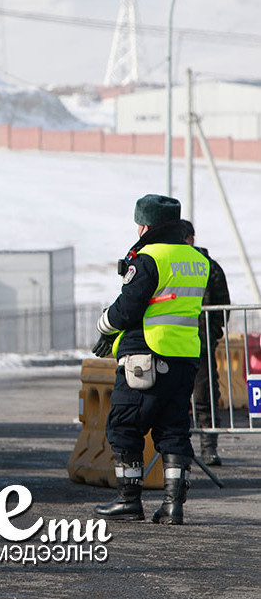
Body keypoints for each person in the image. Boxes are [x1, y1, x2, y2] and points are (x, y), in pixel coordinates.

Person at [91, 194, 208, 525]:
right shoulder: (197, 259)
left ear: (146, 225)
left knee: (125, 424)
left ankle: (129, 500)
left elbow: (128, 308)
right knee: (173, 429)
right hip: (184, 355)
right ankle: (173, 506)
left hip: (146, 355)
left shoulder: (149, 257)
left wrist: (103, 326)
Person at [180, 219, 231, 466]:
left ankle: (208, 447)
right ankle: (175, 450)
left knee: (205, 397)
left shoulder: (209, 268)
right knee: (172, 399)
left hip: (200, 344)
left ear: (190, 239)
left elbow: (223, 307)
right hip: (171, 345)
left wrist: (212, 333)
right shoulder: (171, 265)